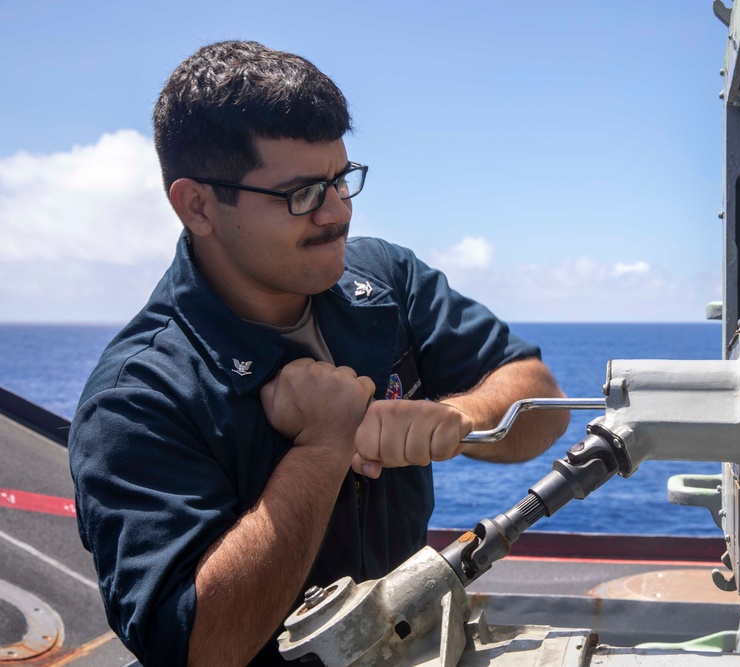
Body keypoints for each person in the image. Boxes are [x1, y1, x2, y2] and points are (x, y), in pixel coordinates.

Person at [68, 40, 569, 666]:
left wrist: (457, 420)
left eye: (341, 179)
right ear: (197, 205)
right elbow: (198, 648)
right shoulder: (136, 399)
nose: (338, 212)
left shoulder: (386, 280)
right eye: (302, 193)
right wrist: (322, 446)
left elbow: (542, 396)